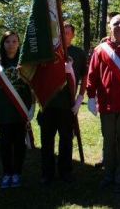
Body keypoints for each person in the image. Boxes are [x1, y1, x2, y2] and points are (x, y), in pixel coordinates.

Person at [87, 14, 120, 193]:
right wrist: (91, 97)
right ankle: (109, 175)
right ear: (109, 27)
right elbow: (92, 74)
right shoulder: (100, 50)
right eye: (115, 23)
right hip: (106, 104)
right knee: (108, 142)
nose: (119, 26)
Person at [38, 22, 87, 186]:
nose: (63, 35)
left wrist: (80, 98)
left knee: (66, 140)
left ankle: (65, 171)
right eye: (61, 32)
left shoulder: (78, 53)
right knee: (47, 141)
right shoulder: (49, 53)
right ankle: (47, 172)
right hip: (49, 104)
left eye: (67, 33)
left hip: (67, 105)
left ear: (72, 35)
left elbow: (85, 76)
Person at [0, 31, 34, 188]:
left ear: (19, 44)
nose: (11, 44)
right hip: (2, 112)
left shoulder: (25, 63)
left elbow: (31, 88)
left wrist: (32, 107)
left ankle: (17, 172)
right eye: (7, 41)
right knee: (4, 144)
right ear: (3, 44)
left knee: (19, 144)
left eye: (14, 41)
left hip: (20, 111)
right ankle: (7, 173)